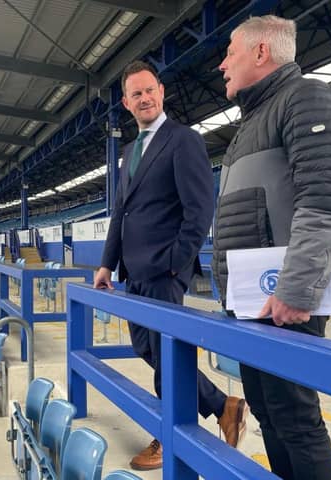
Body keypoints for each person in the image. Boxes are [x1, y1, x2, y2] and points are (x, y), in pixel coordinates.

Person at [213, 15, 331, 480]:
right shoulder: (251, 123)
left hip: (285, 303)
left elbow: (329, 199)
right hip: (253, 305)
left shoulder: (307, 98)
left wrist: (297, 289)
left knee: (295, 418)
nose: (221, 64)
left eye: (229, 52)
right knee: (269, 413)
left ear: (261, 52)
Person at [93, 60, 248, 471]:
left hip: (164, 272)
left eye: (149, 90)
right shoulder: (130, 152)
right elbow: (121, 213)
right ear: (126, 103)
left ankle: (167, 436)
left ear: (161, 92)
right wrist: (107, 264)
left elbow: (199, 211)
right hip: (133, 272)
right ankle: (223, 405)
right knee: (148, 349)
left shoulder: (183, 140)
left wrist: (176, 266)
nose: (144, 98)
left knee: (165, 357)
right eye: (135, 94)